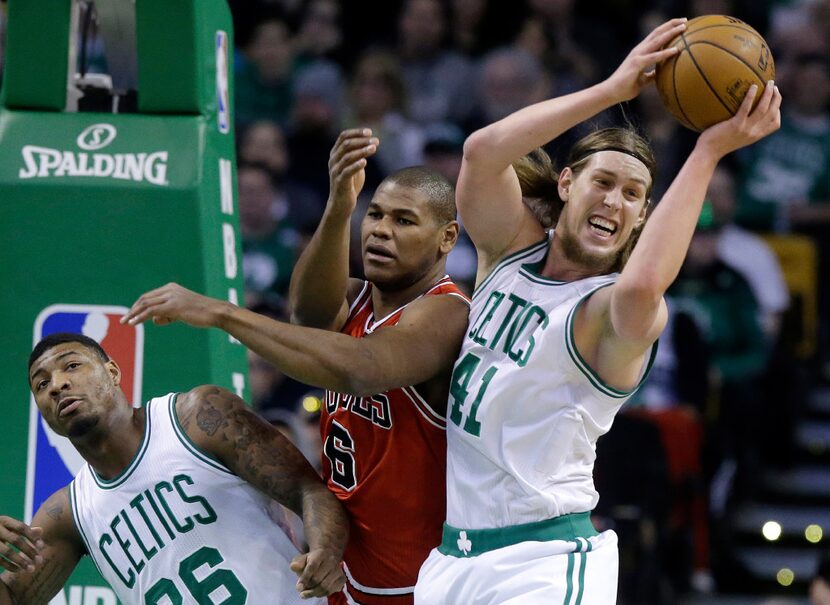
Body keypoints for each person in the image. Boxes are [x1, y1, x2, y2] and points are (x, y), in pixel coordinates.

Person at [413, 17, 781, 604]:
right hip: (452, 558)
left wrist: (708, 151)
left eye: (633, 195)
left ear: (642, 218)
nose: (615, 200)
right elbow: (481, 152)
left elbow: (642, 288)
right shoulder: (507, 253)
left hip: (545, 563)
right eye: (603, 182)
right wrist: (613, 89)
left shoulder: (608, 311)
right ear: (565, 184)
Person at [122, 129, 471, 605]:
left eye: (405, 221)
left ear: (446, 237)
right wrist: (339, 205)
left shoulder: (447, 311)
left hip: (417, 578)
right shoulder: (357, 297)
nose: (381, 230)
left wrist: (223, 312)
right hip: (344, 564)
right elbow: (307, 315)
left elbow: (363, 368)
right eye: (375, 215)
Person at [0, 333, 348, 604]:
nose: (58, 385)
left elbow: (308, 489)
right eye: (42, 384)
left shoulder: (197, 417)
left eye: (72, 366)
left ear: (112, 371)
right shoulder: (68, 514)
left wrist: (325, 552)